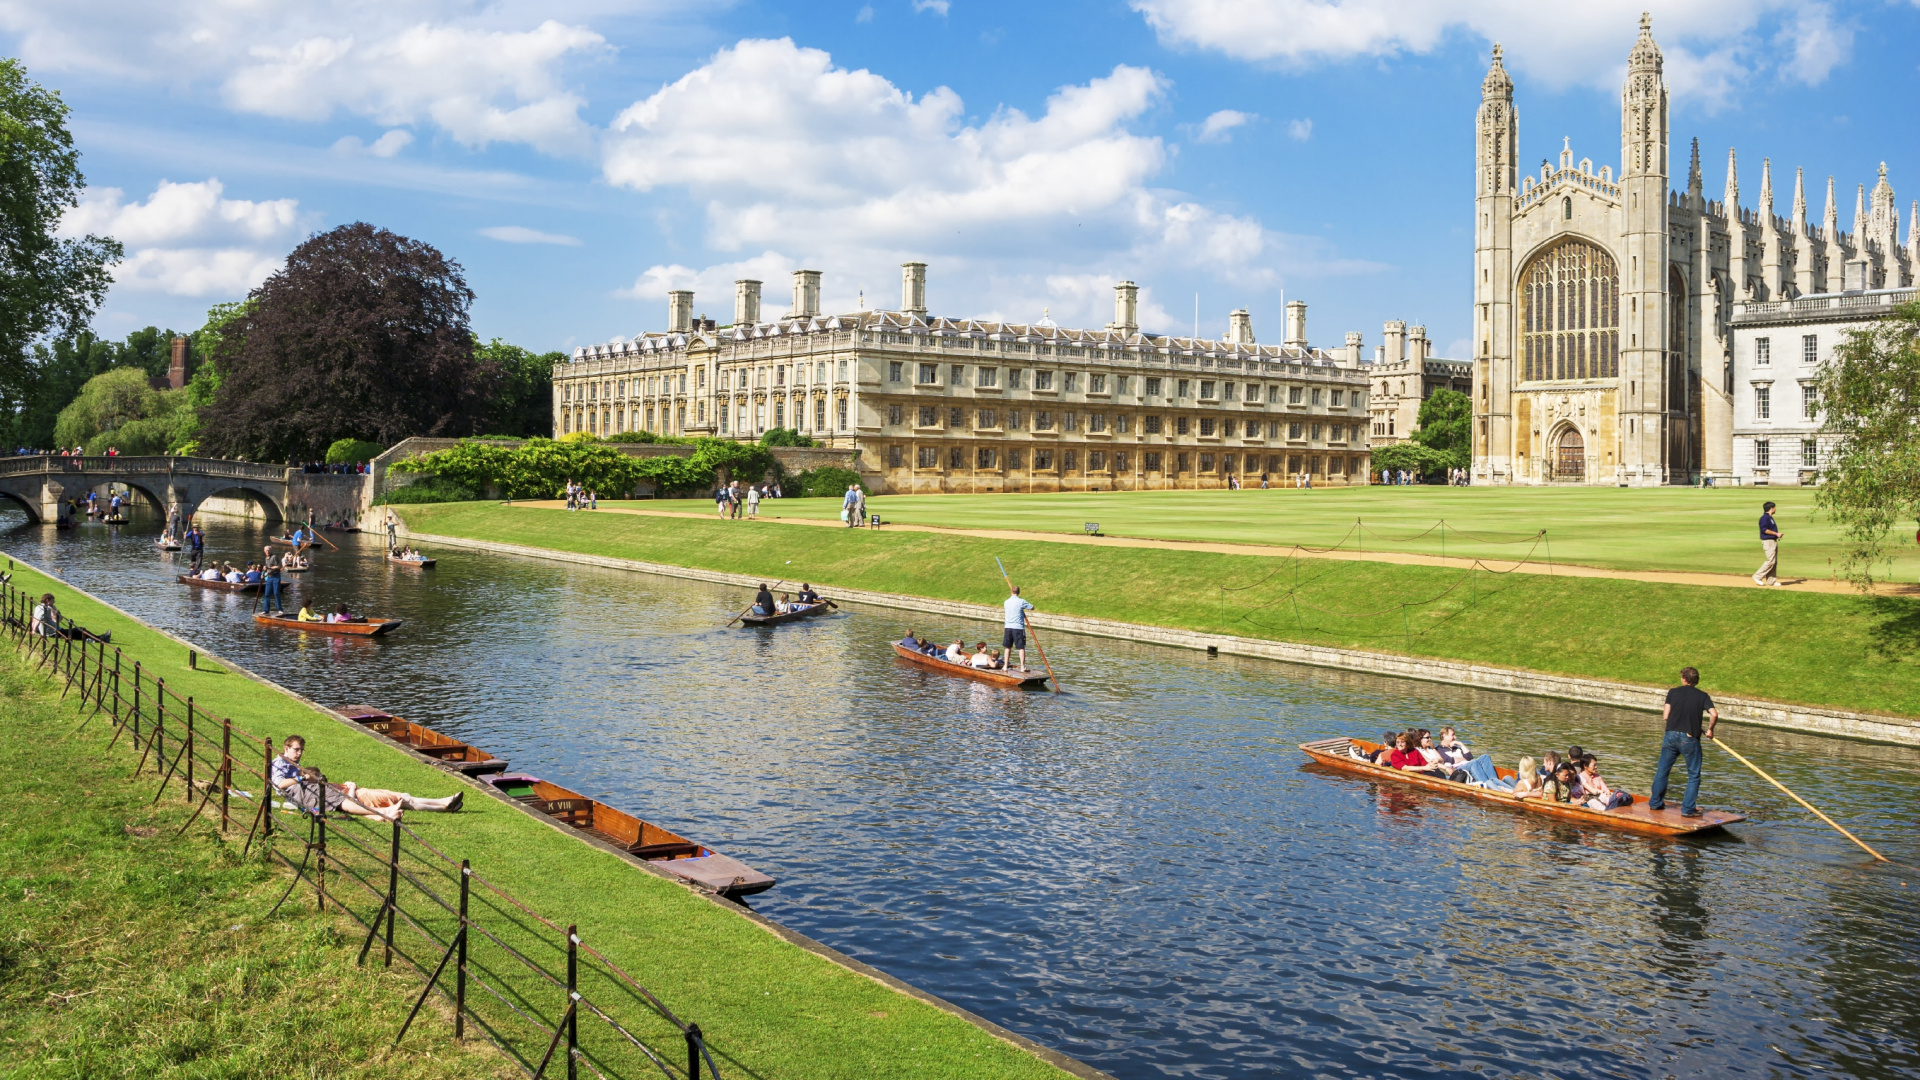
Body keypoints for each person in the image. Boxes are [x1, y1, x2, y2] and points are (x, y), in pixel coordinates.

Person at [270, 736, 462, 820]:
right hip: (352, 793)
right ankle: (443, 804)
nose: (299, 753)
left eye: (302, 750)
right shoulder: (282, 765)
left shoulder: (293, 766)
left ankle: (443, 803)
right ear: (286, 748)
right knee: (403, 799)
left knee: (403, 797)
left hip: (345, 790)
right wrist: (305, 778)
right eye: (296, 749)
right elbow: (279, 785)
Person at [1651, 666, 1718, 817]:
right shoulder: (1703, 696)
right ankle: (1687, 810)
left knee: (1662, 771)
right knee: (1694, 775)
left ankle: (1655, 803)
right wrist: (1710, 730)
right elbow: (1714, 714)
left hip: (1670, 736)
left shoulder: (1672, 692)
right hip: (1689, 739)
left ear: (1684, 679)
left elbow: (1666, 716)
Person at [1002, 585, 1034, 671]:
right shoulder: (1021, 602)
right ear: (1019, 592)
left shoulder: (1006, 602)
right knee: (1021, 647)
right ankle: (1022, 667)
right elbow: (1032, 607)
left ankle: (1005, 666)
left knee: (1007, 647)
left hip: (1008, 627)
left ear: (1011, 592)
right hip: (1018, 628)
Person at [1754, 500, 1782, 587]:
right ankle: (1757, 576)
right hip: (1768, 541)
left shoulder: (1770, 518)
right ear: (1771, 508)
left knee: (1774, 562)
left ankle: (1771, 581)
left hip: (1773, 541)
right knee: (1770, 561)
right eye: (1775, 507)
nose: (1775, 509)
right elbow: (1764, 530)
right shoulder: (1764, 518)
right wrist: (1776, 534)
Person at [262, 547, 284, 614]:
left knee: (276, 593)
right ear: (264, 551)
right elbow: (267, 568)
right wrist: (264, 572)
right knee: (267, 594)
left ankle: (280, 609)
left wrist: (269, 567)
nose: (267, 552)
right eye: (266, 550)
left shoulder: (274, 557)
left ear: (271, 551)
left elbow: (278, 566)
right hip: (269, 577)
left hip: (276, 577)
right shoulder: (266, 558)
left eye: (268, 550)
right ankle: (266, 610)